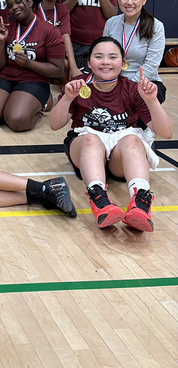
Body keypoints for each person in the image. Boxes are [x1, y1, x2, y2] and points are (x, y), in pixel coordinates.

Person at [49, 37, 173, 232]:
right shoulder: (78, 85)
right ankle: (100, 201)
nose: (105, 61)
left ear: (123, 64)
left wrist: (152, 101)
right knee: (91, 140)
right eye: (99, 57)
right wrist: (67, 98)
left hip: (118, 153)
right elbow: (54, 125)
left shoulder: (132, 89)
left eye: (112, 57)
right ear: (89, 63)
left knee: (133, 139)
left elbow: (166, 133)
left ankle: (141, 203)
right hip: (85, 146)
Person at [0, 0, 65, 131]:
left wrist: (29, 63)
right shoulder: (7, 28)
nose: (14, 7)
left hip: (34, 79)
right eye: (10, 6)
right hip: (6, 77)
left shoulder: (49, 31)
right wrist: (1, 41)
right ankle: (12, 105)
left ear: (29, 2)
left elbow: (58, 70)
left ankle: (40, 106)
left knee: (17, 121)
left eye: (18, 2)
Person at [103, 0, 166, 103]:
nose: (129, 2)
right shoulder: (111, 23)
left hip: (146, 83)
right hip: (114, 82)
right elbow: (104, 56)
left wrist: (129, 88)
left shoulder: (156, 26)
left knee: (135, 104)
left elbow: (151, 64)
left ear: (144, 0)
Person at [35, 0, 80, 82]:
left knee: (69, 75)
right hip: (37, 53)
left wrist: (73, 67)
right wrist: (64, 62)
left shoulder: (62, 9)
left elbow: (65, 36)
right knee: (62, 66)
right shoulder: (33, 9)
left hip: (57, 54)